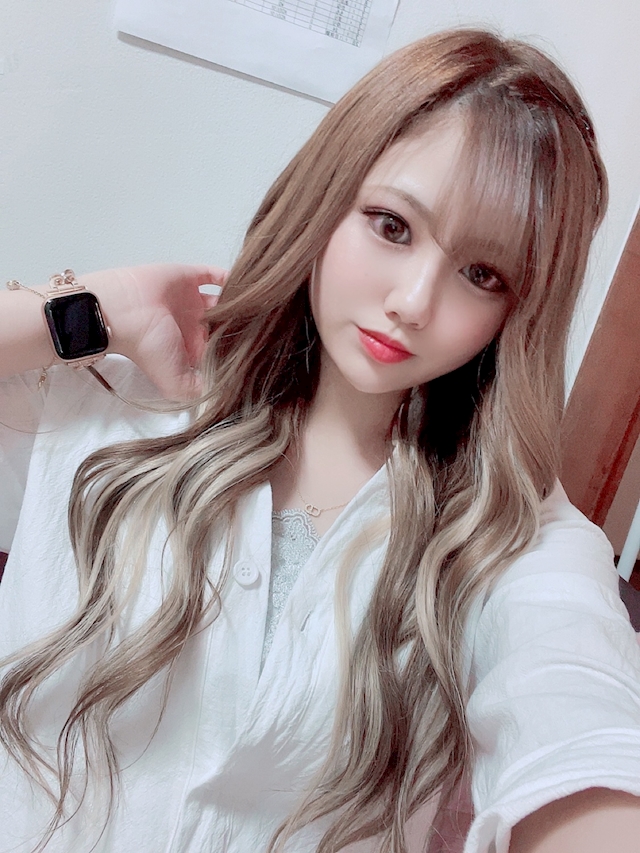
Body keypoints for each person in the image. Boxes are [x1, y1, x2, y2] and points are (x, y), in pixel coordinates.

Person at [1, 27, 640, 853]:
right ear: (329, 194)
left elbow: (578, 715)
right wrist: (93, 308)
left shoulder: (508, 533)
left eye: (482, 274)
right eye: (392, 225)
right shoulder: (124, 392)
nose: (413, 301)